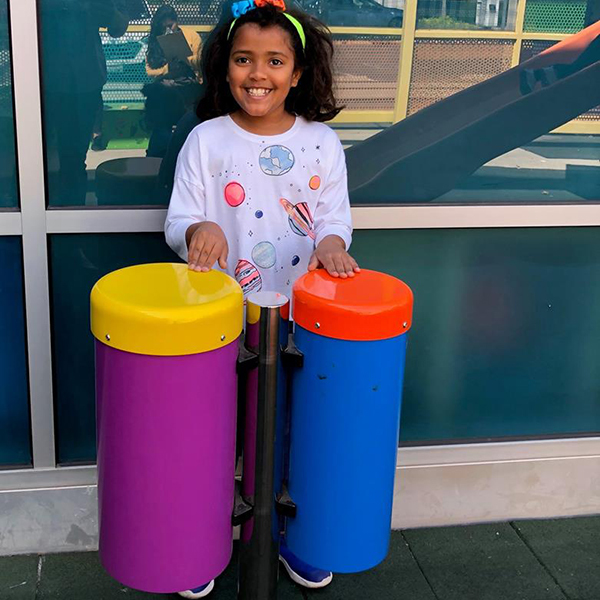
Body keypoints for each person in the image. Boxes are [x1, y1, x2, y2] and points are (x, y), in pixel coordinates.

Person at [165, 1, 359, 597]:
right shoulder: (206, 140)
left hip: (301, 324)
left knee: (294, 438)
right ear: (226, 68)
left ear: (297, 74)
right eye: (245, 59)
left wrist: (330, 245)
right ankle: (205, 541)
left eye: (275, 61)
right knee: (216, 439)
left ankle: (292, 540)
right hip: (223, 322)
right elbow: (180, 220)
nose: (259, 74)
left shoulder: (322, 143)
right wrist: (199, 231)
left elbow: (335, 220)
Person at [40, 0, 129, 205]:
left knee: (73, 157)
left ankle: (68, 218)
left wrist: (104, 11)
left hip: (81, 82)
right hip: (45, 81)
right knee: (46, 156)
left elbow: (119, 26)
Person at [143, 5, 203, 158]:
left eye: (170, 26)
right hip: (166, 87)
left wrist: (185, 58)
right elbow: (150, 70)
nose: (168, 30)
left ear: (176, 21)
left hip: (187, 84)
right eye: (164, 28)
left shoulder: (191, 36)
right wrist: (167, 69)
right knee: (161, 119)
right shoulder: (156, 40)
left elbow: (201, 62)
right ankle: (157, 153)